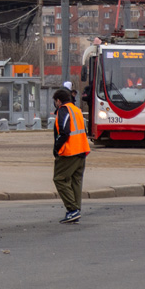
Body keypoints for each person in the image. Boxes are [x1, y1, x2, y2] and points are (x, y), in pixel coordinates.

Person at [52, 88, 91, 224]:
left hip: (70, 151)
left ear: (58, 100)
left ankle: (72, 209)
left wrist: (56, 148)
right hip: (82, 150)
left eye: (55, 101)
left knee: (59, 179)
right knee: (76, 181)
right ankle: (75, 210)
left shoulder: (64, 110)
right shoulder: (77, 110)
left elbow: (64, 132)